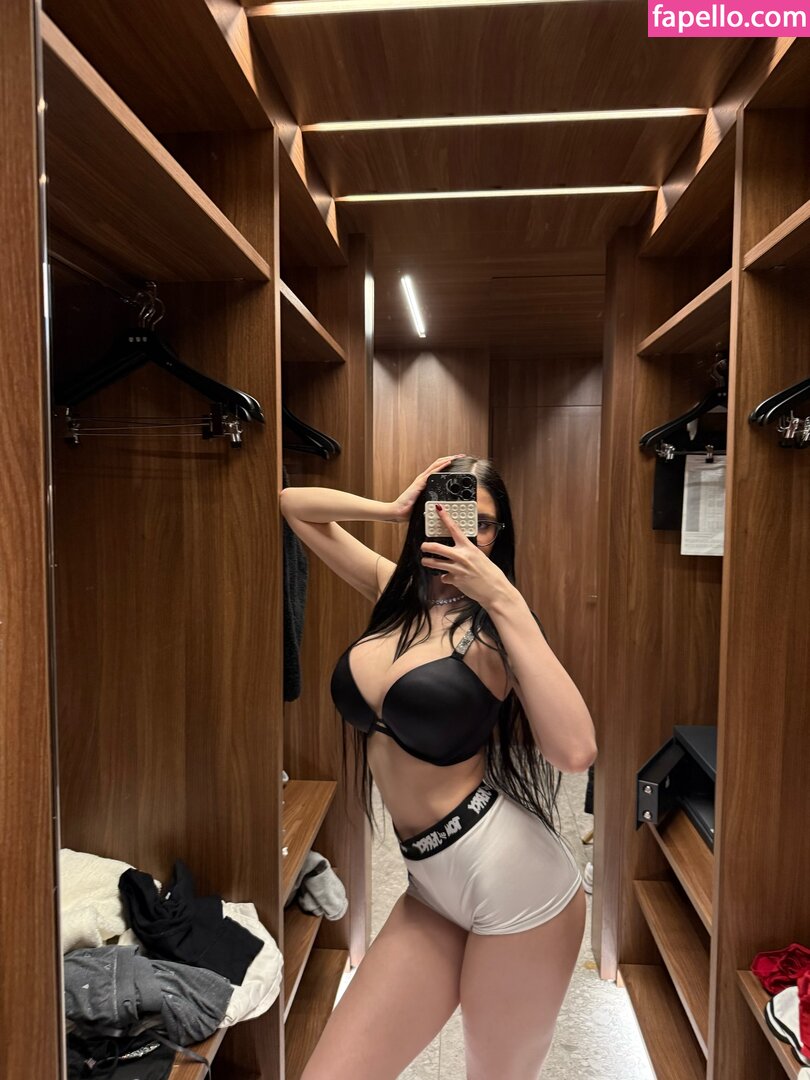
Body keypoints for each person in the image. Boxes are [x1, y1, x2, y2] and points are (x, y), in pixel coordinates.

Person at [279, 453, 597, 1080]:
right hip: (429, 888)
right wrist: (391, 508)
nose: (458, 530)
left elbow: (575, 751)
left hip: (518, 892)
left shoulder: (499, 627)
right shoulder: (394, 594)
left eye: (479, 522)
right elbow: (295, 507)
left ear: (498, 535)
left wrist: (502, 596)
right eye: (445, 512)